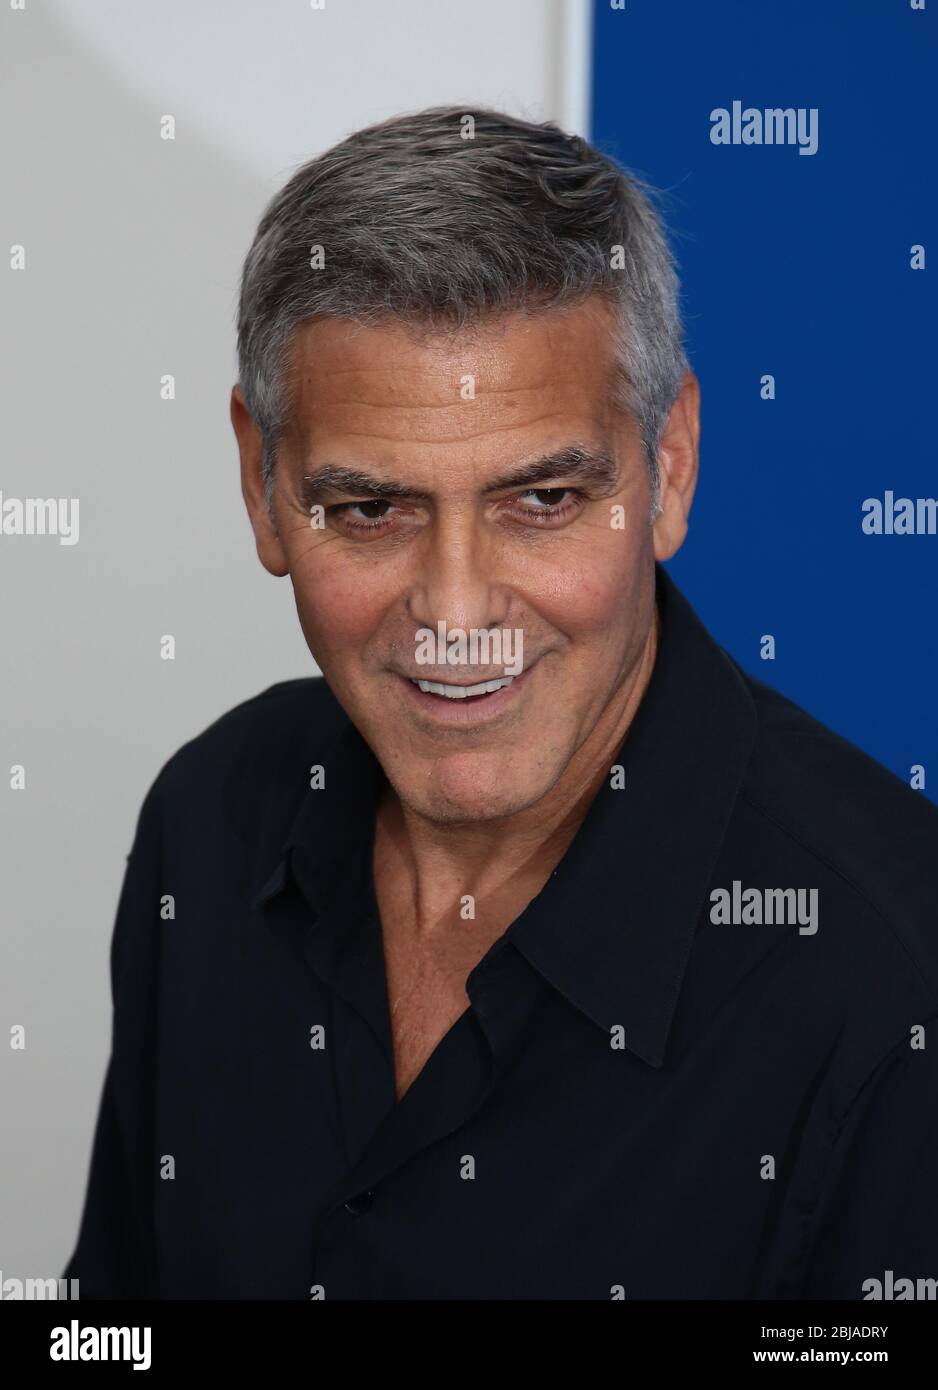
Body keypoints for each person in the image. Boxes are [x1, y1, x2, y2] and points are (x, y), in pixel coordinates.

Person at [64, 107, 938, 1300]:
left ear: (668, 468)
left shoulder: (894, 986)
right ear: (261, 484)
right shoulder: (209, 817)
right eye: (371, 510)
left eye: (541, 500)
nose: (455, 610)